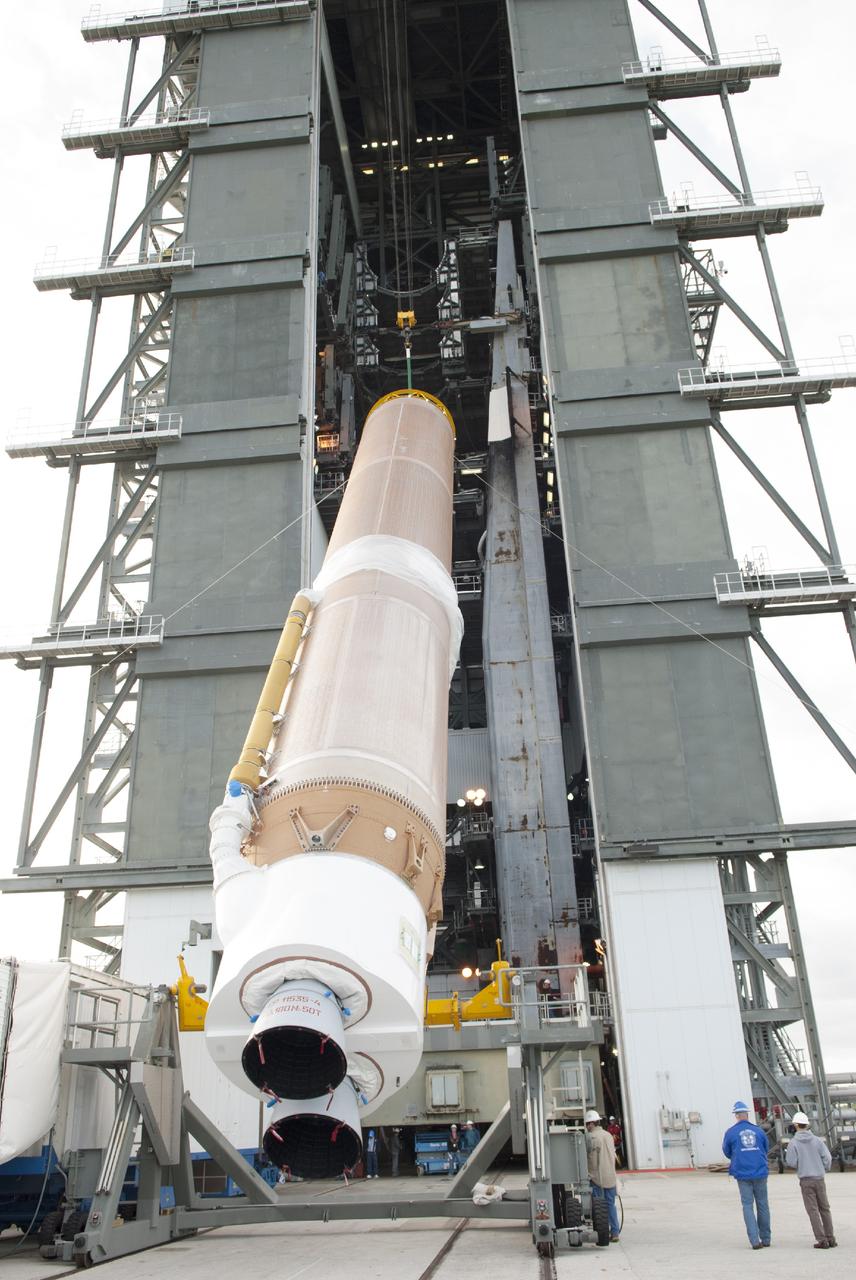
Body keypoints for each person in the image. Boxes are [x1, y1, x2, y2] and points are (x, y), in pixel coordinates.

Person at [722, 1101, 770, 1249]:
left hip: (742, 1173)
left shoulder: (730, 1132)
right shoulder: (759, 1131)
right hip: (760, 1172)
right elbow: (765, 1148)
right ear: (747, 1114)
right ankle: (766, 1239)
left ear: (736, 1115)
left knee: (747, 1205)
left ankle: (755, 1241)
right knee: (763, 1204)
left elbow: (727, 1151)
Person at [785, 1111, 837, 1249]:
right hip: (819, 1178)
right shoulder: (817, 1140)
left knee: (813, 1210)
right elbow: (828, 1158)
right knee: (825, 1208)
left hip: (806, 1180)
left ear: (796, 1125)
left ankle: (822, 1240)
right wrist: (823, 1168)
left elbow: (791, 1162)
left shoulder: (793, 1143)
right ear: (807, 1125)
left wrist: (801, 1165)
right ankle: (831, 1238)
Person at [585, 1108, 620, 1242]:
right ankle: (615, 1232)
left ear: (591, 1124)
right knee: (611, 1204)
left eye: (588, 1124)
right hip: (610, 1177)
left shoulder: (590, 1137)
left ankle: (602, 1232)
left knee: (599, 1208)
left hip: (596, 1178)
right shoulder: (608, 1135)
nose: (587, 1127)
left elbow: (590, 1160)